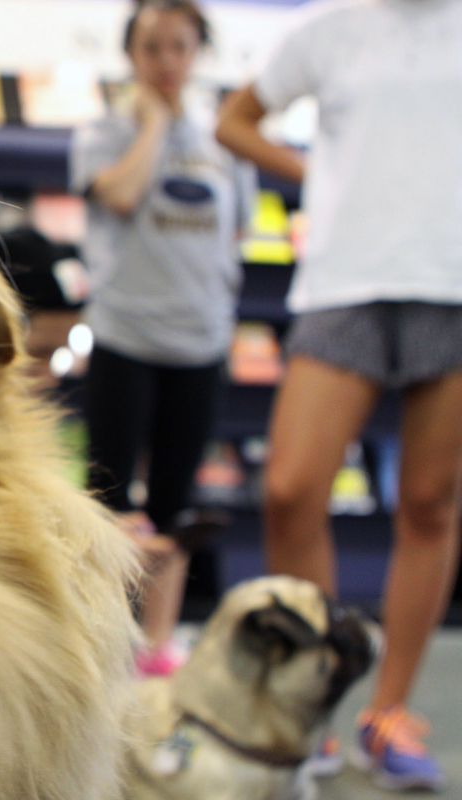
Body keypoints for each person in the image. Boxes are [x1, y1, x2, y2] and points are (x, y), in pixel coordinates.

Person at [216, 0, 462, 791]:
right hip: (343, 284)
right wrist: (315, 172)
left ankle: (386, 715)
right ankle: (316, 701)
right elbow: (236, 120)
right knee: (291, 491)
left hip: (452, 284)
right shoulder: (325, 29)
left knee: (429, 503)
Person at [70, 0, 252, 677]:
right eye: (152, 48)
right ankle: (101, 640)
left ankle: (156, 646)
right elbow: (118, 196)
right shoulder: (103, 132)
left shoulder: (223, 145)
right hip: (125, 338)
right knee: (109, 503)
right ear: (131, 55)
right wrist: (151, 125)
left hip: (200, 345)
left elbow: (232, 234)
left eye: (179, 47)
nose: (167, 62)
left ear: (196, 52)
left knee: (173, 507)